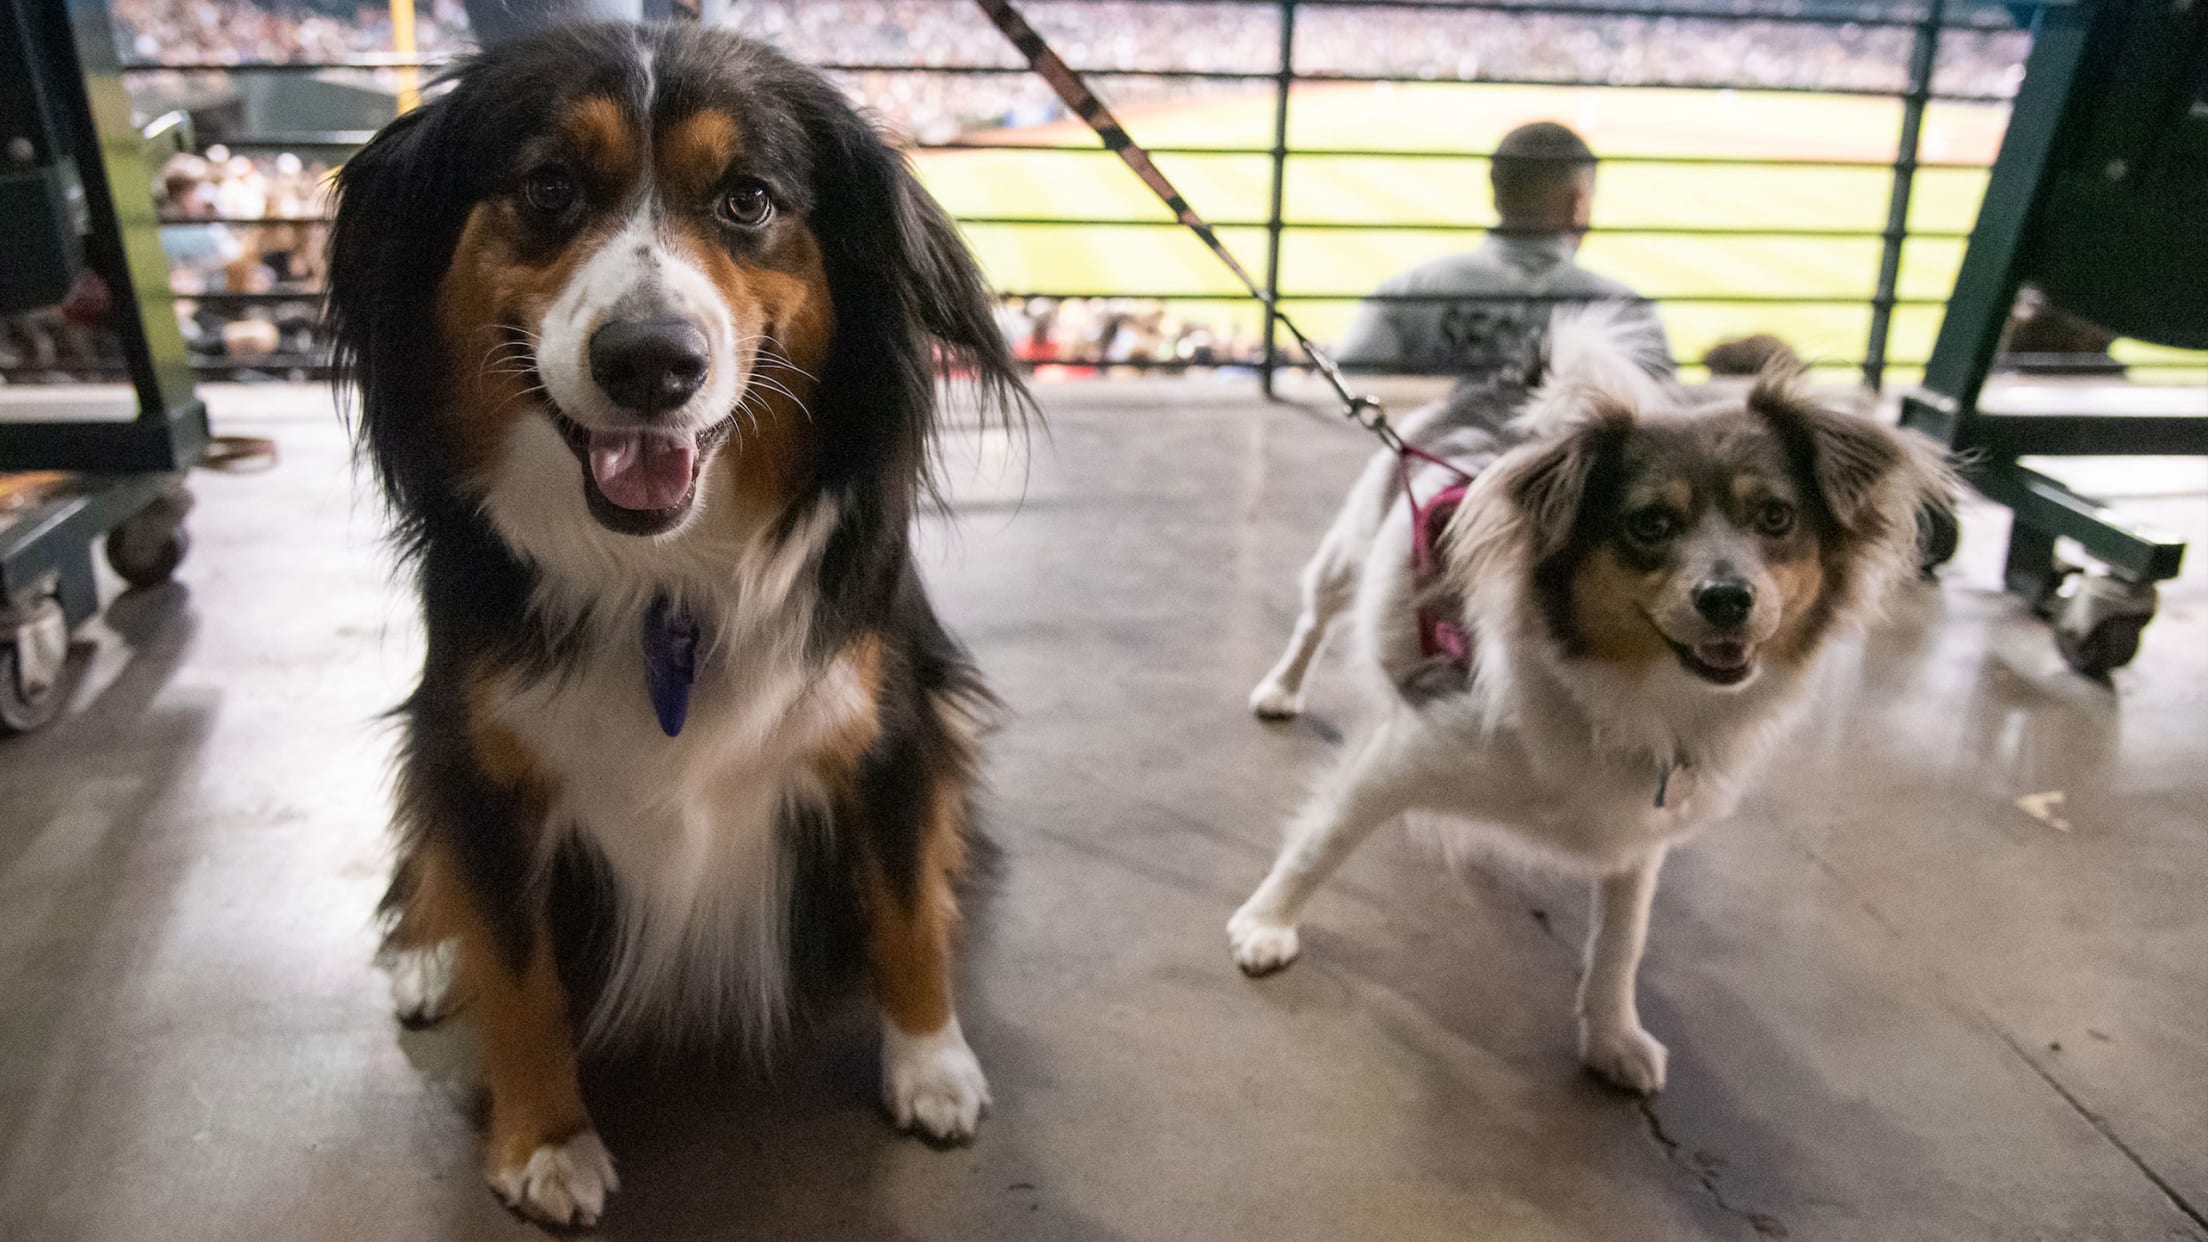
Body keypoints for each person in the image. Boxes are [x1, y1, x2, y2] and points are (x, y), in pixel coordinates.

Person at [1334, 121, 1671, 379]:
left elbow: (1351, 387)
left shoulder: (1406, 294)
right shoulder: (1628, 313)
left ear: (1495, 192)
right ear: (1578, 204)